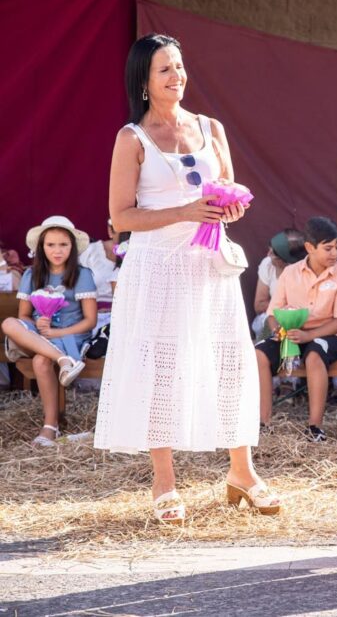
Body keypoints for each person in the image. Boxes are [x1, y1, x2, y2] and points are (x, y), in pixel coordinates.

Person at [93, 33, 279, 524]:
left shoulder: (211, 128)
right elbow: (121, 217)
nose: (177, 77)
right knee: (161, 368)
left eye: (180, 66)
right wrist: (185, 210)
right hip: (156, 268)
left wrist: (231, 207)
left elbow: (230, 196)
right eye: (165, 70)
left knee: (228, 362)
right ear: (145, 81)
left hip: (208, 266)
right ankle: (164, 482)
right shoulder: (131, 138)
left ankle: (242, 473)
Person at [1, 216, 97, 445]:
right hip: (37, 335)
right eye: (50, 244)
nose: (57, 250)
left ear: (72, 247)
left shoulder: (82, 275)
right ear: (41, 247)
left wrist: (57, 333)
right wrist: (40, 326)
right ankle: (64, 361)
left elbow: (90, 321)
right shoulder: (31, 275)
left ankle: (50, 427)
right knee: (8, 323)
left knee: (41, 362)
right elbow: (24, 316)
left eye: (63, 244)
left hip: (70, 334)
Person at [255, 217, 337, 441]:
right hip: (294, 333)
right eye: (328, 248)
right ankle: (263, 422)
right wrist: (279, 330)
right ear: (310, 247)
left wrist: (308, 335)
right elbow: (272, 312)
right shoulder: (291, 273)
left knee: (315, 353)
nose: (335, 253)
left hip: (330, 334)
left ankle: (314, 428)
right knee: (259, 352)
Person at [252, 228, 306, 339]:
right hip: (274, 316)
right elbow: (259, 305)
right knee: (268, 322)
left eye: (273, 254)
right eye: (269, 250)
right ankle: (262, 351)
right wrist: (284, 310)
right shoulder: (267, 264)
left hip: (302, 320)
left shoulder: (303, 272)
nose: (268, 255)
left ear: (286, 260)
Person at [78, 219, 120, 330]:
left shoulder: (140, 256)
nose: (127, 239)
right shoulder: (91, 252)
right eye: (123, 233)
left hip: (123, 320)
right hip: (91, 320)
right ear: (110, 231)